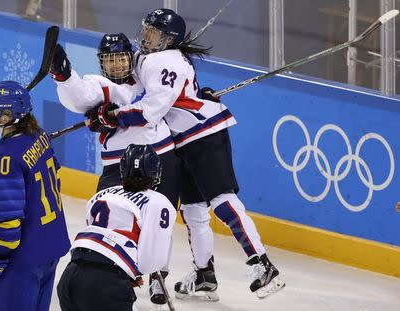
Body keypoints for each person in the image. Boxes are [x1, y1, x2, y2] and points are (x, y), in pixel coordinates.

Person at [90, 8, 286, 300]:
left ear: (169, 39)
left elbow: (150, 111)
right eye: (146, 30)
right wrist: (194, 95)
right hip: (181, 140)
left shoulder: (164, 61)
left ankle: (261, 263)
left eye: (153, 33)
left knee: (221, 200)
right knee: (193, 209)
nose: (146, 37)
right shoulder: (154, 58)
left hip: (204, 135)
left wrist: (113, 116)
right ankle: (205, 274)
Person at [50, 33, 181, 304]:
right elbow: (80, 95)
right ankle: (111, 267)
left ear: (130, 57)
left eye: (120, 58)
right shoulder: (101, 85)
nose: (116, 65)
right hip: (118, 164)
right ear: (101, 63)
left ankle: (158, 276)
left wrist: (194, 94)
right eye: (109, 60)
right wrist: (65, 76)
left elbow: (170, 89)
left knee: (160, 218)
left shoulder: (147, 74)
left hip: (161, 154)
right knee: (109, 218)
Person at [0, 81, 71, 310]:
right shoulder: (40, 136)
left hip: (24, 258)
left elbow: (10, 226)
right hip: (51, 245)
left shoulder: (1, 158)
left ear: (7, 116)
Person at [57, 144, 176, 311]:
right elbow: (151, 261)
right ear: (155, 172)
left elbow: (96, 235)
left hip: (70, 277)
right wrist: (131, 272)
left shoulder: (101, 194)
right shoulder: (158, 202)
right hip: (108, 284)